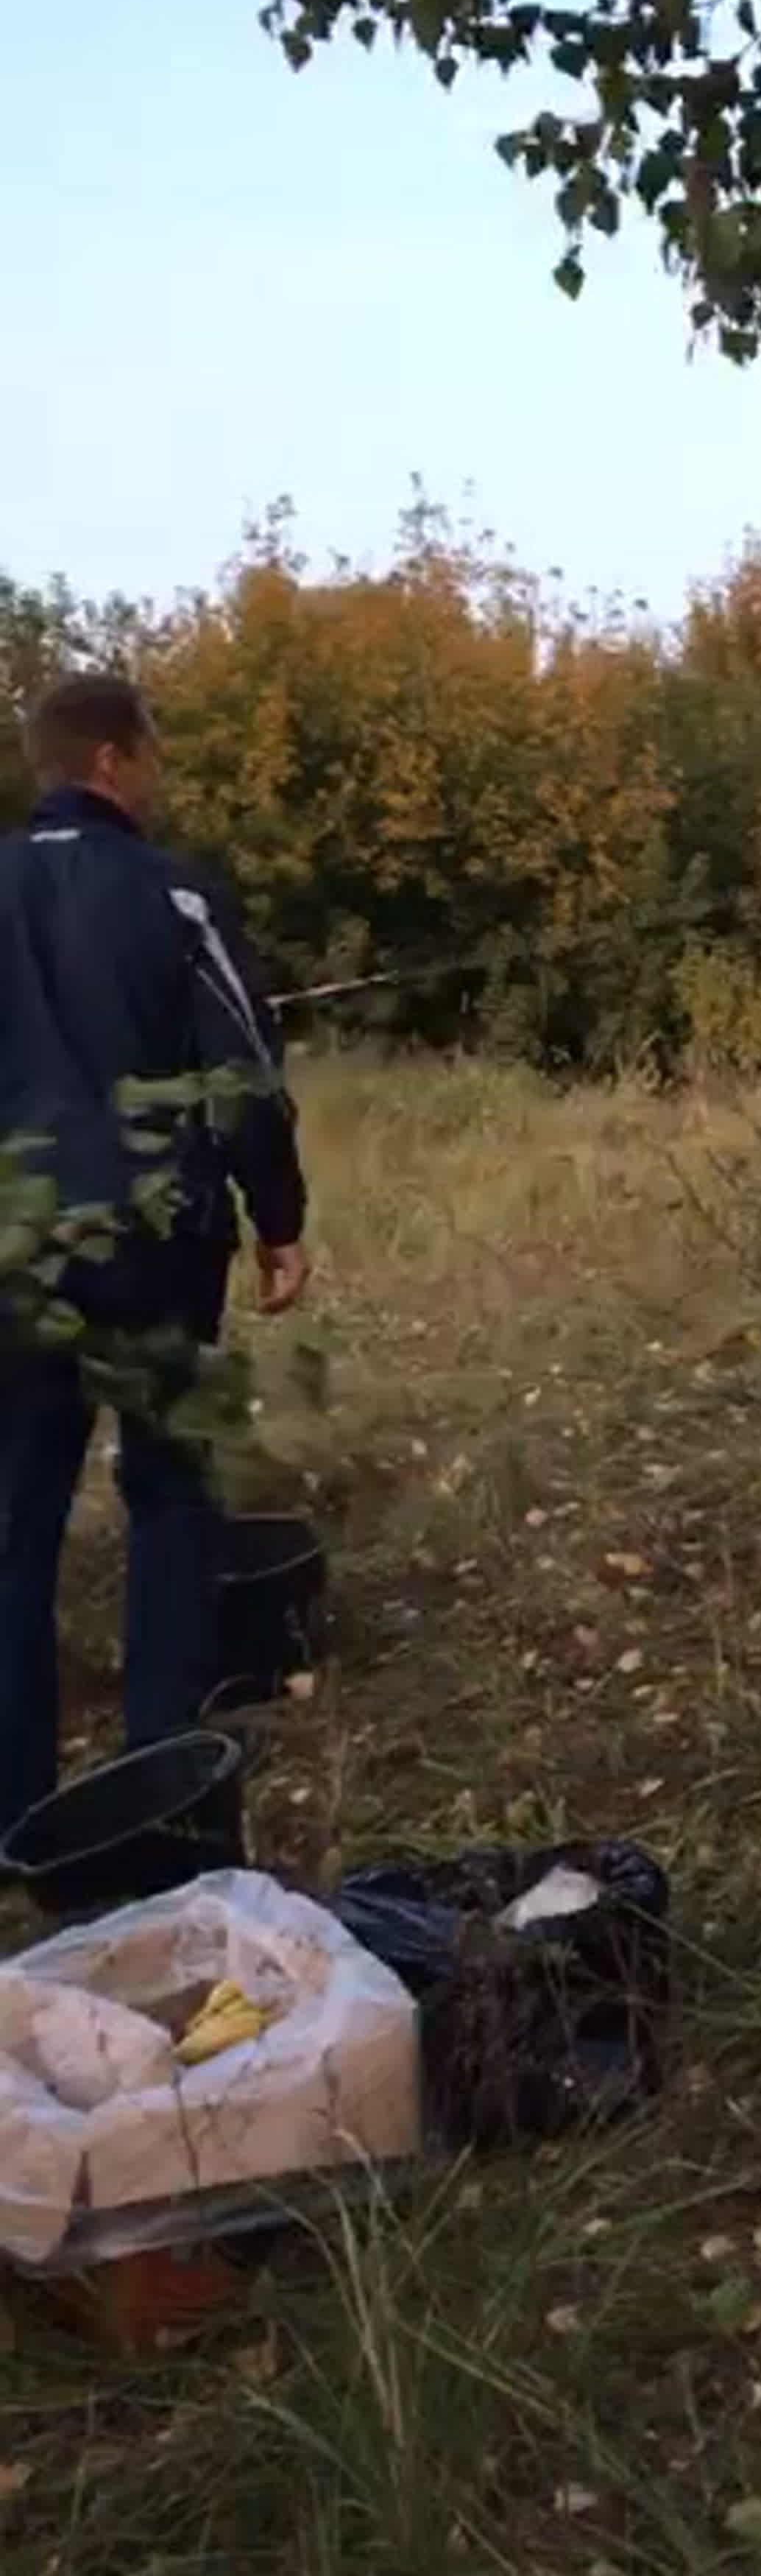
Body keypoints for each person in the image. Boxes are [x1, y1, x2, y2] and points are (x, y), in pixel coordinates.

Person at [0, 671, 310, 1830]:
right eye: (157, 751)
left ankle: (15, 1814)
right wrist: (277, 1218)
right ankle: (161, 1787)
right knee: (173, 1494)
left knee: (14, 1520)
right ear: (114, 761)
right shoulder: (174, 896)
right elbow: (243, 1069)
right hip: (157, 1243)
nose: (162, 772)